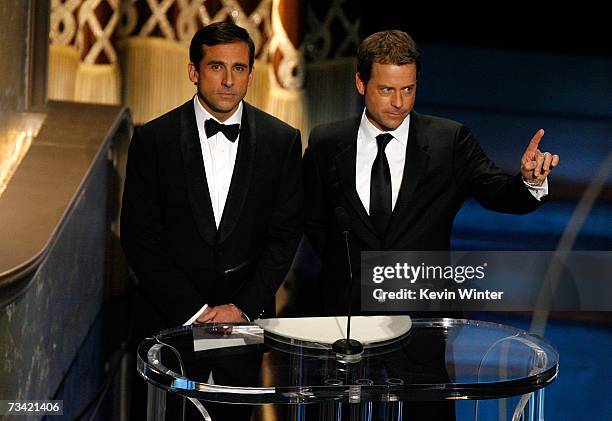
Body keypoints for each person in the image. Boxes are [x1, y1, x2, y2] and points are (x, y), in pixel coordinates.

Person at [302, 30, 559, 420]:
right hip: (345, 328)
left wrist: (529, 180)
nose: (399, 102)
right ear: (360, 82)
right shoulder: (326, 142)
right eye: (387, 89)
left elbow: (499, 194)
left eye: (409, 89)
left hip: (421, 331)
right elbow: (315, 224)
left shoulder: (448, 141)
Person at [120, 21, 302, 419]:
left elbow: (285, 236)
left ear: (252, 74)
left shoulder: (282, 141)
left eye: (239, 68)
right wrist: (195, 312)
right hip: (168, 325)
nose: (228, 80)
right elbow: (139, 237)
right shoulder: (153, 140)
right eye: (217, 67)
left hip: (243, 328)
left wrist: (242, 307)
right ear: (194, 72)